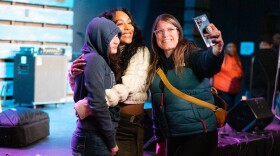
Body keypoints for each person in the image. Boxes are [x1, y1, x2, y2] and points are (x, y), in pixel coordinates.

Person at [69, 8, 150, 156]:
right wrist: (73, 75)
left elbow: (129, 85)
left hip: (126, 122)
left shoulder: (139, 51)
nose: (127, 28)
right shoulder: (100, 55)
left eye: (129, 23)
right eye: (120, 24)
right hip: (105, 122)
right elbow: (82, 91)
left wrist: (90, 105)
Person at [146, 13, 224, 156]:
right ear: (154, 36)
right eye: (160, 31)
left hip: (199, 133)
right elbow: (157, 107)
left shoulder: (190, 53)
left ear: (178, 32)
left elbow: (206, 62)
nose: (165, 34)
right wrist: (160, 140)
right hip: (172, 136)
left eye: (170, 29)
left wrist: (216, 49)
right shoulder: (155, 65)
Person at [70, 17, 122, 156]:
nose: (117, 40)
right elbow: (97, 102)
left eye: (118, 36)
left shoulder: (95, 59)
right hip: (94, 138)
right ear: (100, 37)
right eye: (112, 36)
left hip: (93, 137)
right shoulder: (94, 59)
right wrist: (112, 142)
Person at [245, 34, 278, 109]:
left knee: (255, 109)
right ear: (271, 45)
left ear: (260, 44)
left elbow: (247, 73)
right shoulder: (276, 57)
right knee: (267, 110)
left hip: (255, 88)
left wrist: (247, 86)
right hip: (271, 89)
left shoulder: (254, 55)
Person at [212, 42, 243, 110]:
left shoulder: (237, 59)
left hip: (234, 90)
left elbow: (239, 72)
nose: (232, 48)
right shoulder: (222, 58)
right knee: (225, 108)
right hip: (222, 89)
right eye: (229, 46)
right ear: (226, 48)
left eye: (233, 47)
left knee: (231, 108)